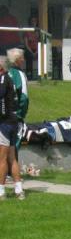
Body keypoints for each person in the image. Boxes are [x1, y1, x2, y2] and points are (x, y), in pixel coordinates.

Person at [6, 49, 28, 198]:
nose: (24, 60)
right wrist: (21, 113)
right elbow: (24, 97)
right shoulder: (19, 74)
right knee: (14, 146)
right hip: (15, 117)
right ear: (18, 60)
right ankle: (11, 175)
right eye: (22, 58)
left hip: (4, 116)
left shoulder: (6, 73)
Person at [0, 57, 21, 200]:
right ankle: (19, 190)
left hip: (5, 123)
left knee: (2, 159)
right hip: (13, 122)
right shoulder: (10, 78)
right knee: (12, 158)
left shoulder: (3, 79)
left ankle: (1, 191)